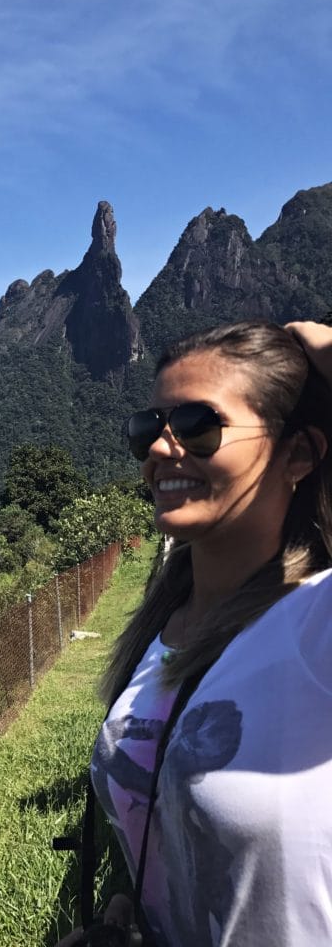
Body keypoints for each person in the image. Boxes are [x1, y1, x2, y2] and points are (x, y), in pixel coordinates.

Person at [66, 320, 332, 947]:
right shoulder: (162, 624)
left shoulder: (316, 626)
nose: (161, 448)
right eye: (148, 428)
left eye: (197, 426)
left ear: (297, 454)